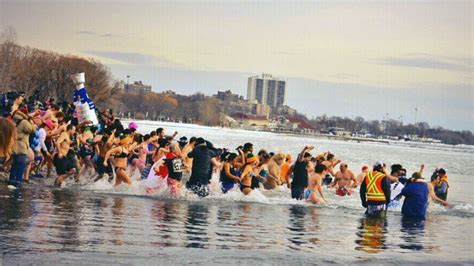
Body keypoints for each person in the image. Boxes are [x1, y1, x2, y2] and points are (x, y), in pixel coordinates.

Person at [8, 108, 35, 189]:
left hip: (14, 145)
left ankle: (11, 181)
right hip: (21, 146)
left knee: (14, 164)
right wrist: (30, 120)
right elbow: (32, 130)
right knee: (21, 164)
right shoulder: (24, 122)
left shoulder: (13, 120)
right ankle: (17, 182)